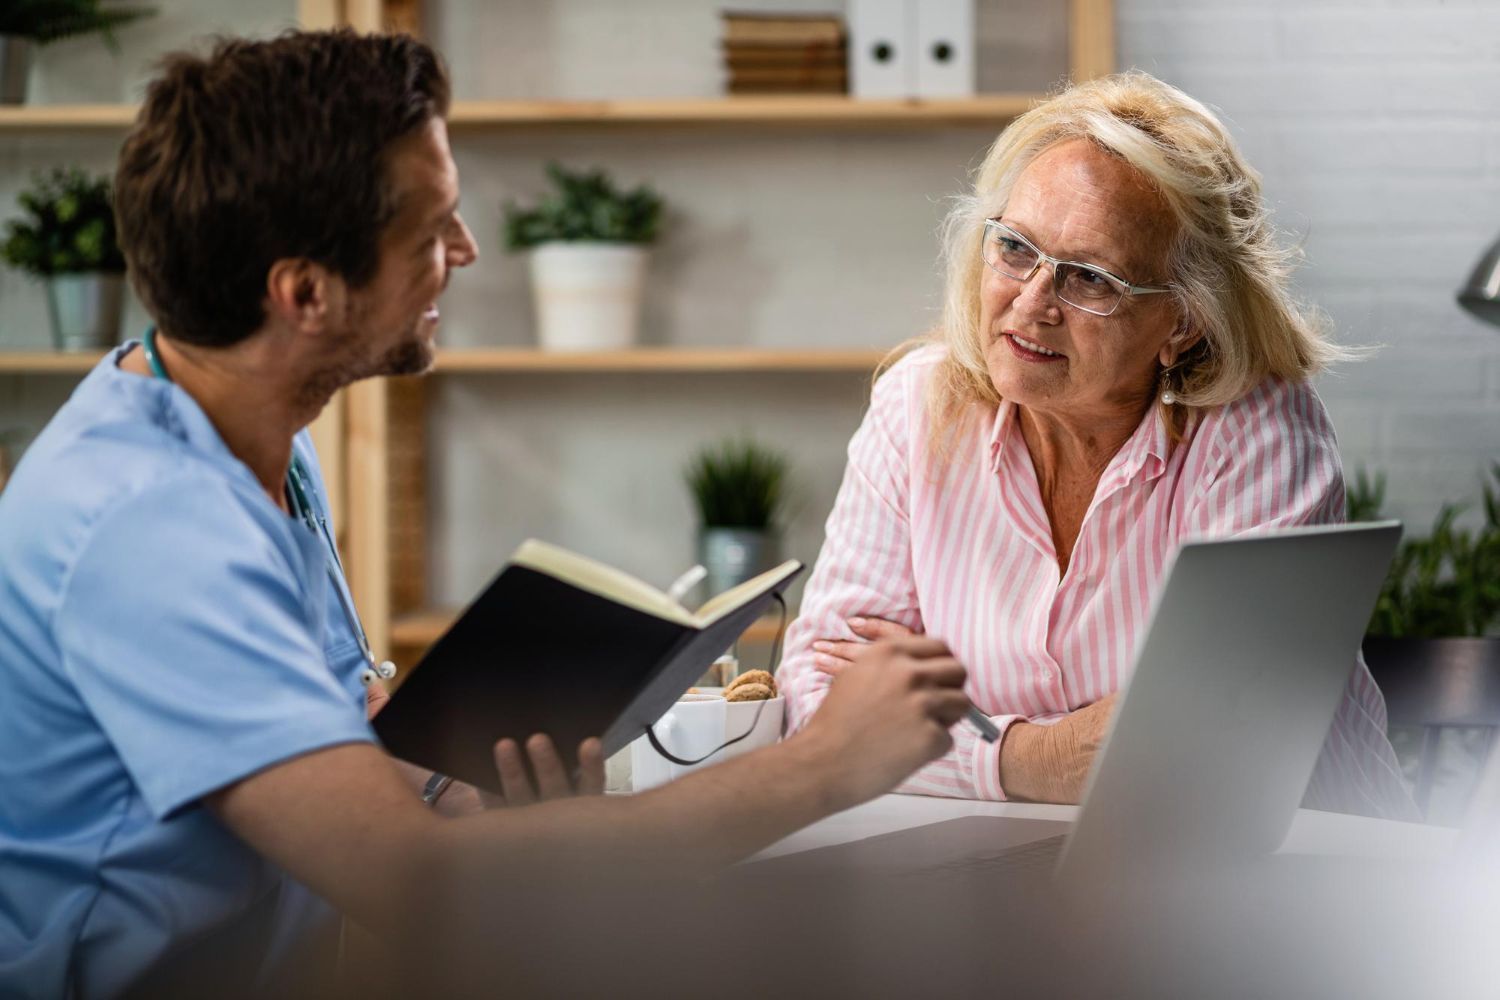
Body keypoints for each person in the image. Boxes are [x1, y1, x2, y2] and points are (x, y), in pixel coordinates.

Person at [0, 31, 975, 998]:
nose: (465, 251)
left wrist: (458, 786)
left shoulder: (254, 432)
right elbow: (423, 890)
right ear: (305, 292)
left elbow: (340, 740)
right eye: (431, 230)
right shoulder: (148, 529)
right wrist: (826, 764)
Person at [777, 71, 1415, 818]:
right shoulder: (917, 406)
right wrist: (1033, 759)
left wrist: (945, 741)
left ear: (1184, 321)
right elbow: (822, 709)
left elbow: (1219, 752)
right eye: (1015, 249)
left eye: (1090, 279)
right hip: (1016, 873)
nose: (1032, 302)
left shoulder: (1256, 426)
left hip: (1313, 872)